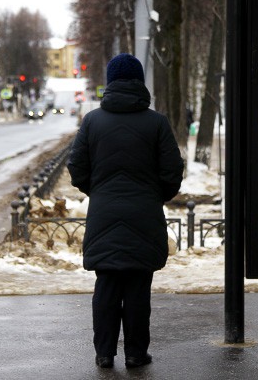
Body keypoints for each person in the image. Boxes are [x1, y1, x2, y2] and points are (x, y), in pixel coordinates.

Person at [67, 53, 184, 369]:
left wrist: (99, 191)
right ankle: (135, 353)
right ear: (140, 83)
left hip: (104, 214)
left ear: (110, 83)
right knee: (137, 287)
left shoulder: (92, 121)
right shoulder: (156, 123)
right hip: (144, 216)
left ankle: (104, 354)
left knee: (105, 284)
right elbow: (173, 170)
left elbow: (76, 166)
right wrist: (154, 195)